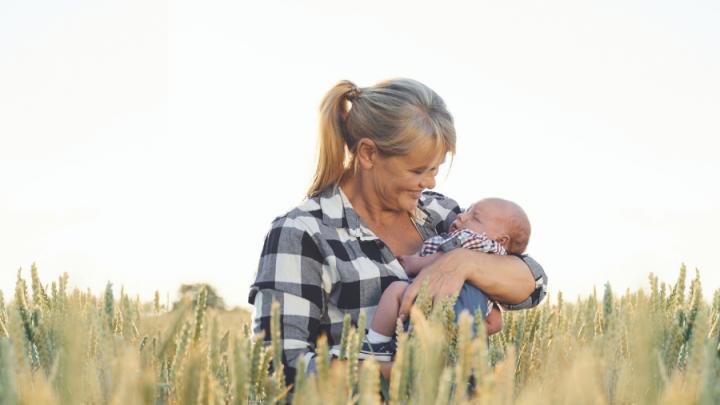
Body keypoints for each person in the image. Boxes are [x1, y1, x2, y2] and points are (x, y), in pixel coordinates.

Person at [248, 78, 548, 385]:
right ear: (368, 154)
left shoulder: (440, 215)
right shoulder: (303, 233)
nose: (431, 182)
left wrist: (461, 263)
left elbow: (532, 284)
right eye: (418, 170)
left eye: (436, 169)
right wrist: (414, 373)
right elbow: (280, 368)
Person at [359, 197, 531, 361]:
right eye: (467, 210)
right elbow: (494, 323)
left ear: (501, 240)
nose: (461, 215)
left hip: (442, 299)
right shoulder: (495, 260)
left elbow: (447, 257)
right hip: (459, 323)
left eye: (475, 218)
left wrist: (415, 263)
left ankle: (376, 343)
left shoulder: (478, 242)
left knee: (395, 290)